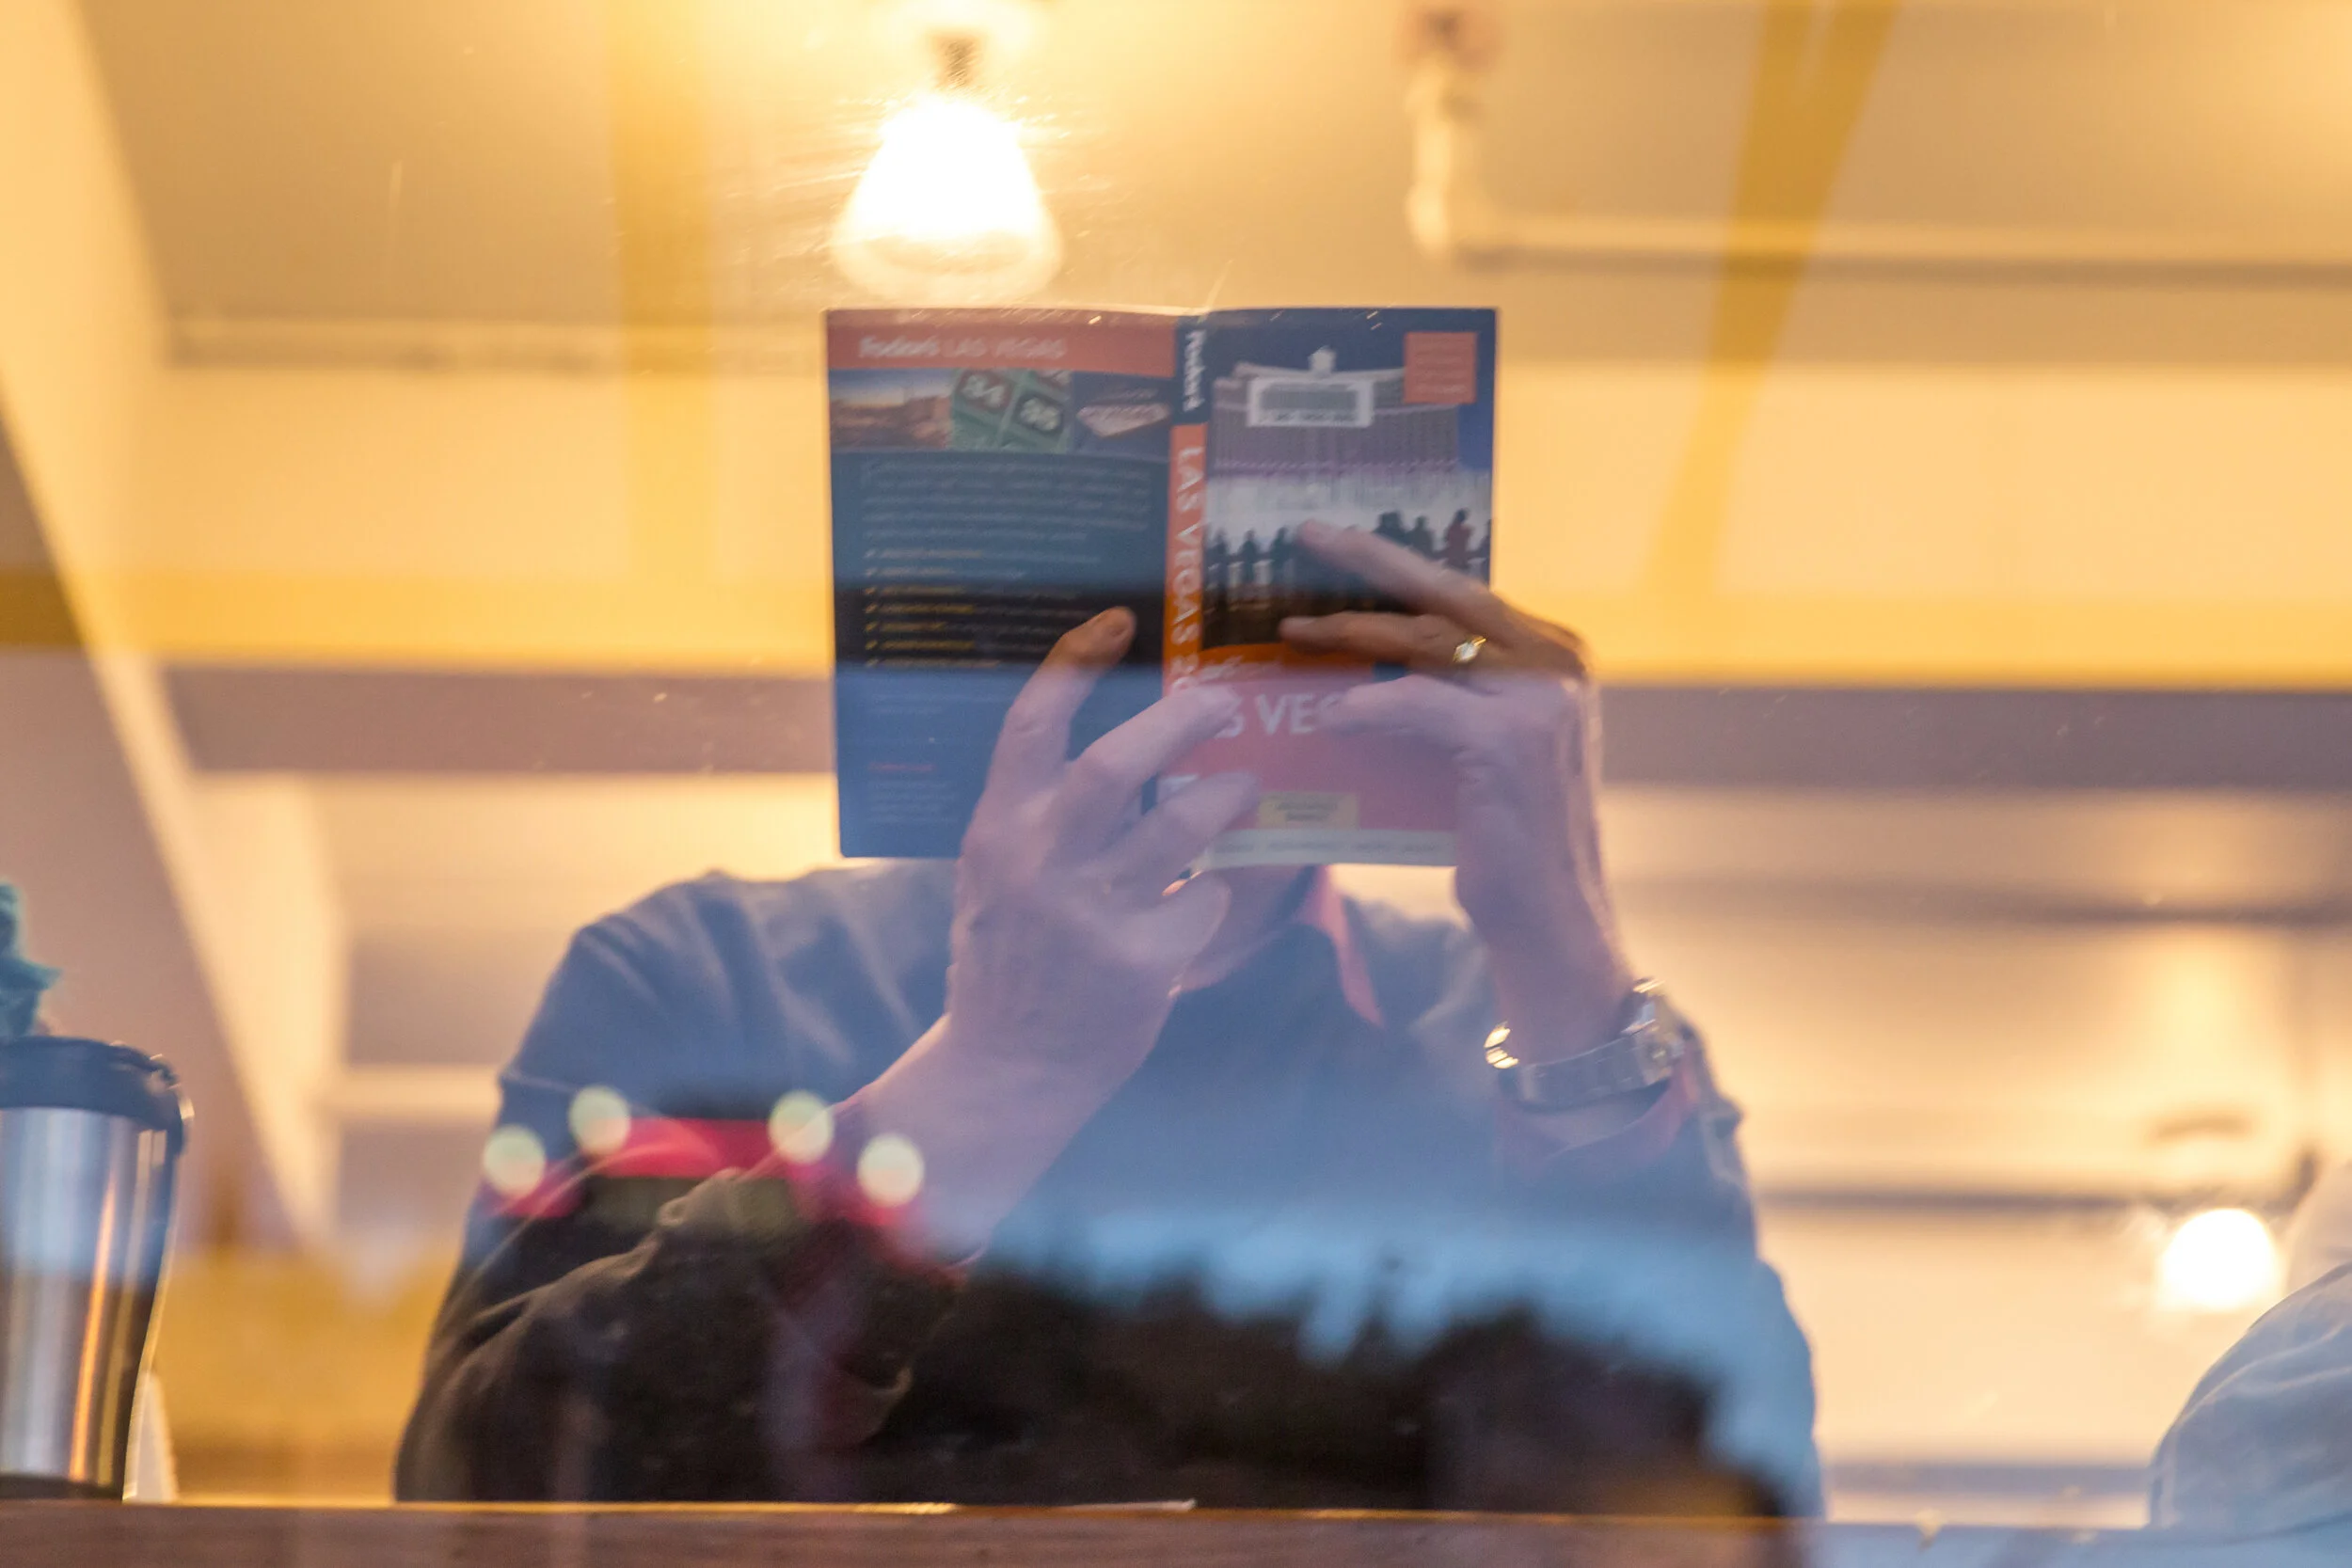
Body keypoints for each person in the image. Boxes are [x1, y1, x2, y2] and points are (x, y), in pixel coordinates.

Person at [395, 524, 1820, 1513]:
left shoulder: (1520, 1028)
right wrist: (989, 1079)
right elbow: (487, 1498)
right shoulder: (703, 981)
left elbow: (1718, 1516)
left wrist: (1565, 964)